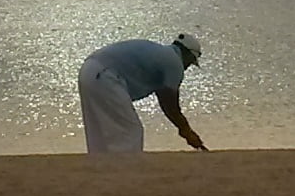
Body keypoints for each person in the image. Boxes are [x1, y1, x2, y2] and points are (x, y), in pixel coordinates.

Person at [76, 33, 208, 154]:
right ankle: (126, 166)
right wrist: (186, 130)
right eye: (190, 62)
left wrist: (183, 128)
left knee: (100, 127)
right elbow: (169, 103)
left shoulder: (161, 53)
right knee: (130, 129)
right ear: (187, 54)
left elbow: (164, 99)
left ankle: (100, 163)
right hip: (105, 75)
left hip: (89, 70)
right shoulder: (174, 62)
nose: (187, 67)